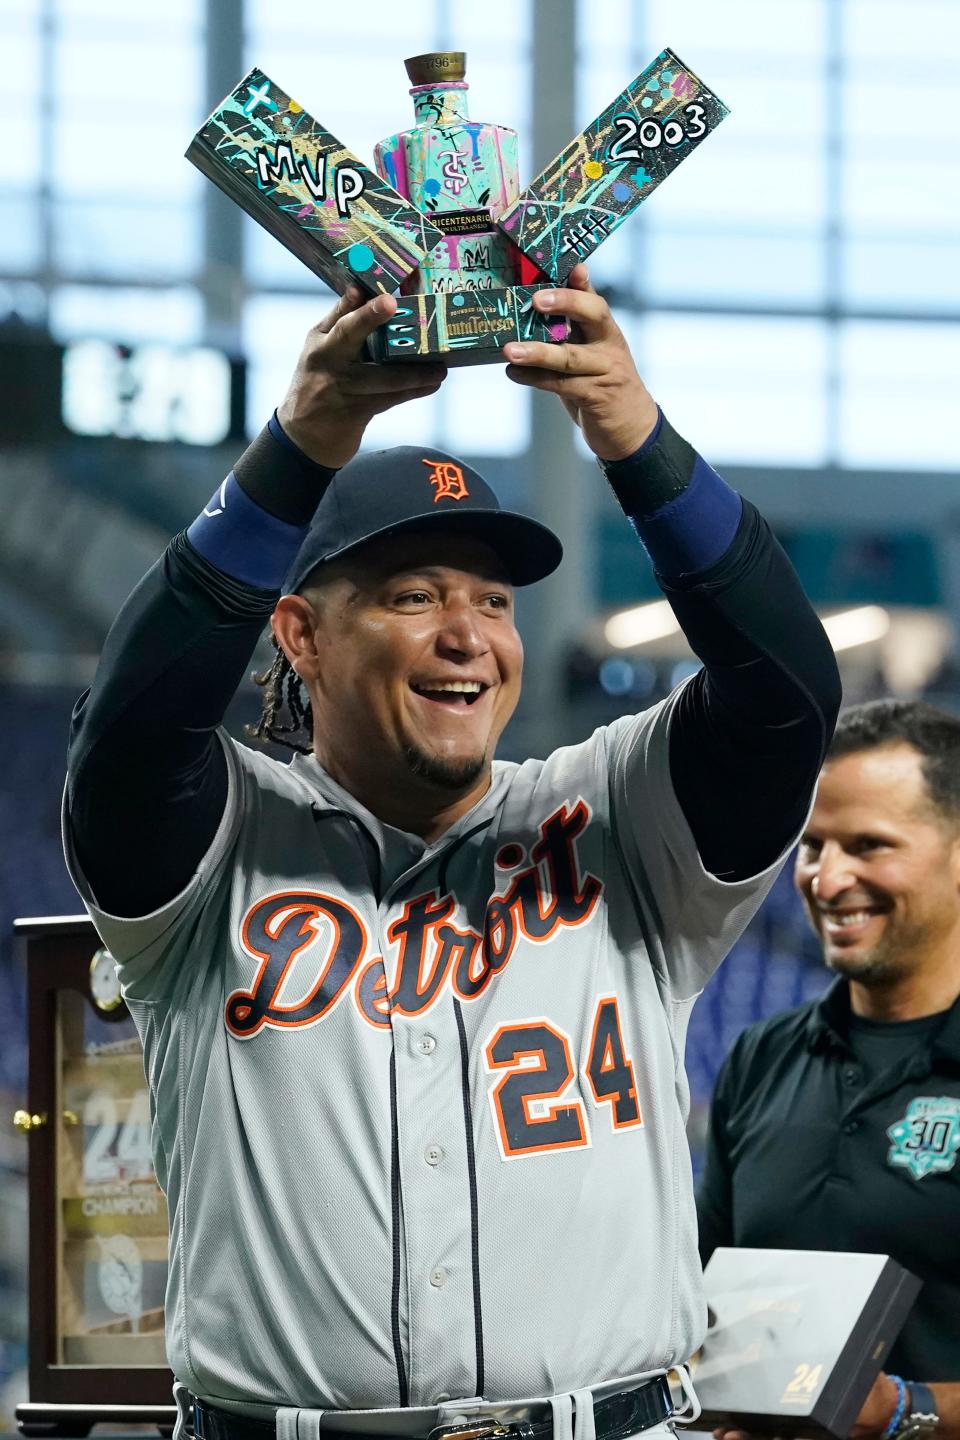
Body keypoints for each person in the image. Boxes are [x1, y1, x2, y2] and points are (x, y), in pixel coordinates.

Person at [63, 266, 840, 1440]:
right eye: (414, 594)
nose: (468, 635)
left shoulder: (619, 814)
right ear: (301, 634)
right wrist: (301, 442)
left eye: (493, 599)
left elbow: (786, 696)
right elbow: (127, 735)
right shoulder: (215, 837)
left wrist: (635, 438)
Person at [698, 700, 960, 1440]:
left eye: (870, 845)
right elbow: (703, 1318)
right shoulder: (760, 1058)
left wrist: (910, 1412)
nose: (826, 878)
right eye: (813, 846)